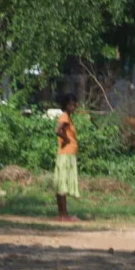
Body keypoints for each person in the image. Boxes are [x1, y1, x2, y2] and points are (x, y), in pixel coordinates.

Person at [54, 93, 79, 222]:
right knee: (62, 185)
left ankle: (62, 214)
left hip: (67, 154)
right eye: (71, 104)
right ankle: (63, 215)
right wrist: (66, 139)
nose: (73, 106)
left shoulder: (67, 117)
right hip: (66, 154)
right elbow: (57, 130)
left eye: (74, 104)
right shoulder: (64, 116)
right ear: (66, 105)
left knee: (61, 185)